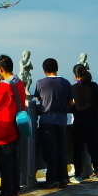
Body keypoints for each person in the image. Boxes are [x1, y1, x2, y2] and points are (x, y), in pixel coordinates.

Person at [0, 54, 27, 196]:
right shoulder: (19, 83)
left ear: (0, 68)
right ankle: (15, 193)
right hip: (16, 128)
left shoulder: (4, 86)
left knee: (5, 165)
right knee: (13, 162)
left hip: (4, 129)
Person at [34, 58, 73, 188]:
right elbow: (70, 102)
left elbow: (39, 98)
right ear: (57, 68)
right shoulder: (66, 83)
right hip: (62, 120)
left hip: (47, 120)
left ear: (44, 70)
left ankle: (52, 179)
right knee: (61, 150)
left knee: (50, 151)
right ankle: (63, 178)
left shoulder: (40, 83)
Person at [70, 63, 98, 184]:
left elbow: (70, 106)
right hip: (93, 122)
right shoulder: (94, 86)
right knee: (96, 149)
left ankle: (78, 175)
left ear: (75, 76)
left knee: (78, 149)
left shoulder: (73, 88)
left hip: (79, 122)